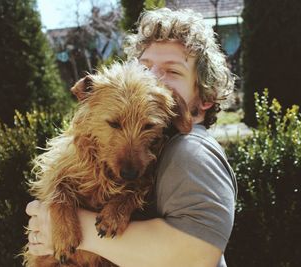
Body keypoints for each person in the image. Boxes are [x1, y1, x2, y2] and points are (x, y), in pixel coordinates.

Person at [26, 8, 237, 267]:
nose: (152, 81)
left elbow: (197, 257)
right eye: (145, 68)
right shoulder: (162, 147)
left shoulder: (190, 150)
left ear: (207, 97)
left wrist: (76, 229)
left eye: (172, 72)